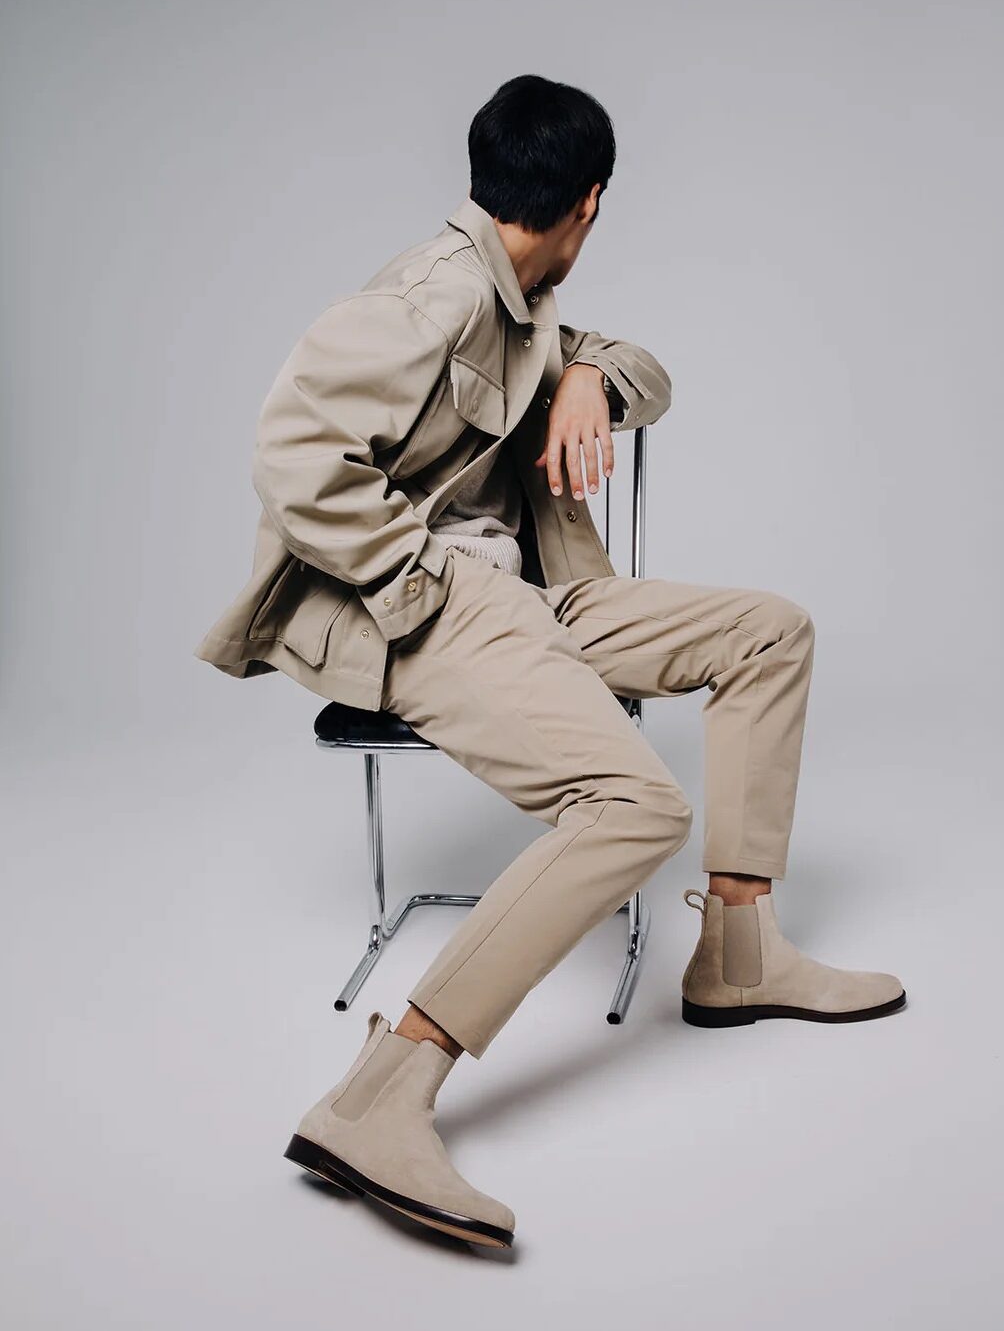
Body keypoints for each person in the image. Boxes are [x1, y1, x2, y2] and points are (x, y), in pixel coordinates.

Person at [194, 74, 905, 1249]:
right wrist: (421, 584)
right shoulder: (433, 295)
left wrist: (585, 373)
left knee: (768, 630)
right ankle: (381, 1095)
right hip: (424, 606)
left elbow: (647, 373)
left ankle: (735, 955)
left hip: (546, 598)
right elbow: (294, 447)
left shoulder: (518, 300)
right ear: (588, 204)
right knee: (631, 801)